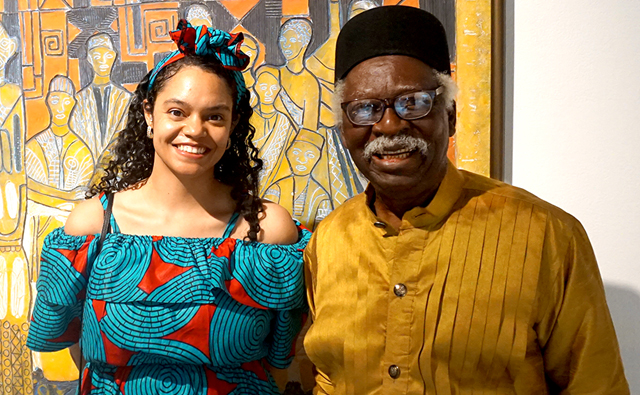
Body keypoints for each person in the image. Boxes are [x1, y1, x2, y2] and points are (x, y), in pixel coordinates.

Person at [303, 6, 629, 394]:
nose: (389, 126)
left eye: (413, 102)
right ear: (344, 127)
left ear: (451, 115)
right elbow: (329, 378)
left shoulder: (547, 237)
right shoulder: (328, 240)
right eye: (365, 108)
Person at [27, 20, 310, 394]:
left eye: (214, 116)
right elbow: (82, 356)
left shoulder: (267, 232)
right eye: (177, 112)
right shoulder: (93, 226)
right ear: (149, 114)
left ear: (233, 125)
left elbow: (278, 363)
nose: (195, 129)